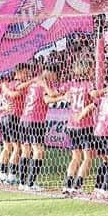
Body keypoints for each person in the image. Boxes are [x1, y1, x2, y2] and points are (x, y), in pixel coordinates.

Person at [55, 62, 96, 195]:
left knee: (75, 157)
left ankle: (67, 185)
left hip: (71, 125)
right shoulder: (88, 84)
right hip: (85, 124)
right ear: (86, 70)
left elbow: (56, 91)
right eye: (90, 68)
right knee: (87, 157)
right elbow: (95, 98)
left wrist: (63, 96)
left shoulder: (70, 84)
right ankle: (77, 186)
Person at [18, 64, 58, 191]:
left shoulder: (33, 84)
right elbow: (50, 96)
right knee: (38, 151)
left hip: (24, 119)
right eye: (55, 76)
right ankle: (30, 184)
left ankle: (22, 183)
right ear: (50, 74)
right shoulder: (43, 84)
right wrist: (62, 96)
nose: (55, 79)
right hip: (35, 121)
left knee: (25, 151)